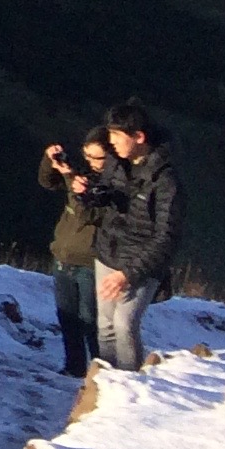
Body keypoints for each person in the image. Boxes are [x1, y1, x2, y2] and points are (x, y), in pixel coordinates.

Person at [90, 99, 183, 372]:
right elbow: (106, 196)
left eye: (117, 136)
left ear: (138, 137)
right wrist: (91, 195)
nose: (111, 142)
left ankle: (130, 388)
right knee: (105, 325)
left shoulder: (166, 182)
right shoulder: (117, 164)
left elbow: (166, 237)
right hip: (109, 252)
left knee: (124, 324)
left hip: (140, 263)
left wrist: (128, 274)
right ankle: (103, 385)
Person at [38, 126, 110, 376]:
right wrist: (51, 162)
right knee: (67, 318)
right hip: (64, 255)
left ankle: (100, 373)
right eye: (86, 155)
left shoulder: (111, 186)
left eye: (96, 157)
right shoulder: (83, 175)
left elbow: (87, 213)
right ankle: (74, 367)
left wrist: (74, 182)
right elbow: (47, 181)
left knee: (91, 321)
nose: (90, 162)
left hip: (90, 261)